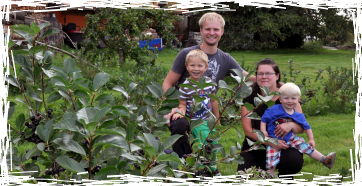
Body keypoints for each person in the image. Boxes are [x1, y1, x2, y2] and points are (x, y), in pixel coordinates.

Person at [162, 12, 256, 158]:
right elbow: (168, 83)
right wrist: (176, 106)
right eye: (207, 29)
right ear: (201, 30)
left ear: (222, 31)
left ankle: (192, 160)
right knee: (181, 126)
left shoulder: (225, 59)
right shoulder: (187, 54)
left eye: (216, 29)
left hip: (205, 113)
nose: (212, 33)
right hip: (184, 110)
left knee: (206, 146)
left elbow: (248, 78)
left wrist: (275, 82)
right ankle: (181, 165)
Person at [237, 58, 305, 180]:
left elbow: (301, 127)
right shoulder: (249, 96)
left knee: (293, 160)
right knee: (244, 178)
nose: (264, 77)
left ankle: (284, 179)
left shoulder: (288, 96)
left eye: (268, 73)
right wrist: (270, 142)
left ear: (277, 76)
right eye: (260, 73)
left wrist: (291, 125)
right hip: (256, 146)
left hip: (284, 145)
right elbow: (248, 130)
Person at [260, 83, 336, 177]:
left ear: (298, 100)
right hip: (273, 139)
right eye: (286, 98)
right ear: (280, 99)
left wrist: (311, 139)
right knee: (271, 162)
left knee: (305, 146)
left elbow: (307, 127)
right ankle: (268, 179)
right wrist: (263, 130)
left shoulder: (298, 115)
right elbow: (264, 119)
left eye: (293, 98)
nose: (289, 101)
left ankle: (324, 159)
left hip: (290, 138)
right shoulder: (274, 109)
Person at [168, 49, 221, 175]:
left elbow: (214, 101)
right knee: (200, 145)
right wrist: (179, 112)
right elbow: (182, 104)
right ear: (186, 67)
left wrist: (217, 117)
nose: (196, 69)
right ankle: (201, 169)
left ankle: (213, 168)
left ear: (206, 67)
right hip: (195, 122)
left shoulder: (209, 83)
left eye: (199, 65)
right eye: (192, 65)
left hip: (209, 120)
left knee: (214, 143)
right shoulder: (185, 86)